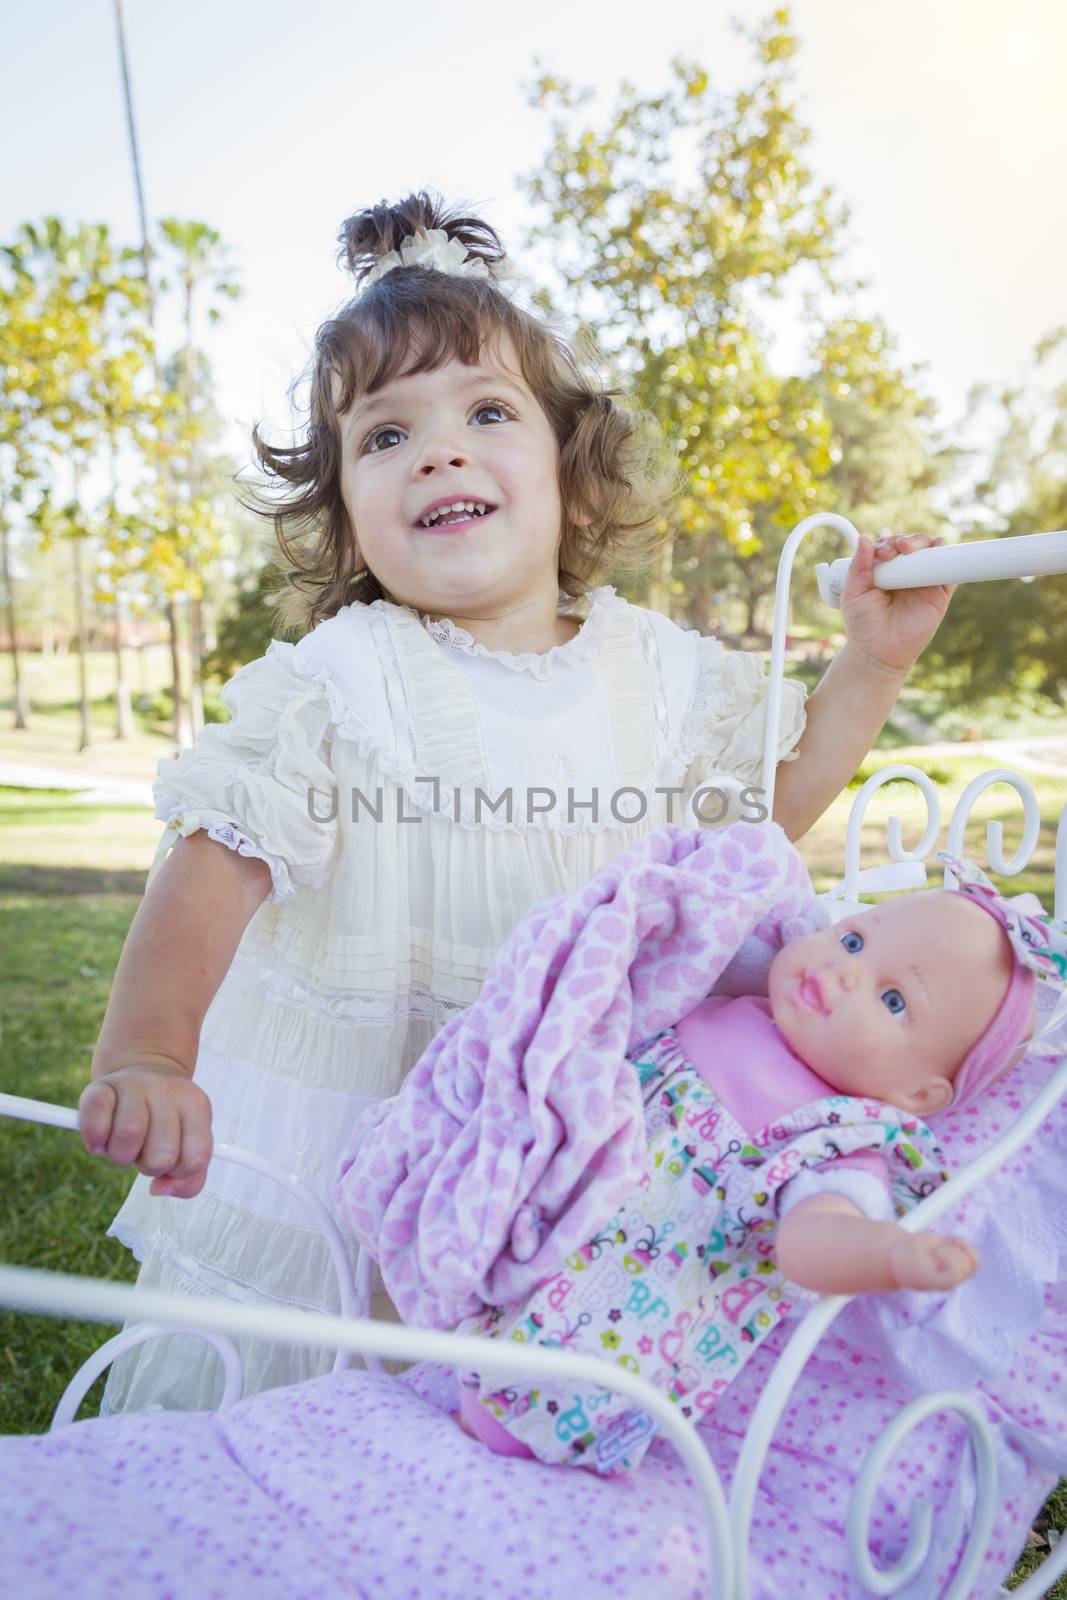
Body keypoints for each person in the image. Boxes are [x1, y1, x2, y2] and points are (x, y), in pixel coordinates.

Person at [77, 190, 954, 1414]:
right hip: (374, 1123)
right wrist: (153, 1053)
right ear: (343, 511)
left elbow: (763, 815)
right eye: (384, 436)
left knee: (524, 1398)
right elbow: (214, 861)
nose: (438, 450)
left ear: (569, 475)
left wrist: (871, 664)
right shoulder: (343, 681)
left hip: (578, 1115)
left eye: (487, 413)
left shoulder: (662, 669)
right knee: (349, 1391)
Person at [452, 865, 1051, 1471]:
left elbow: (812, 1237)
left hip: (622, 1317)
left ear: (919, 1095)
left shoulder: (838, 1137)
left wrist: (882, 1252)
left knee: (538, 1395)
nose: (844, 970)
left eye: (892, 999)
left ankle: (509, 1427)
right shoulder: (740, 997)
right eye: (854, 940)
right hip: (548, 1219)